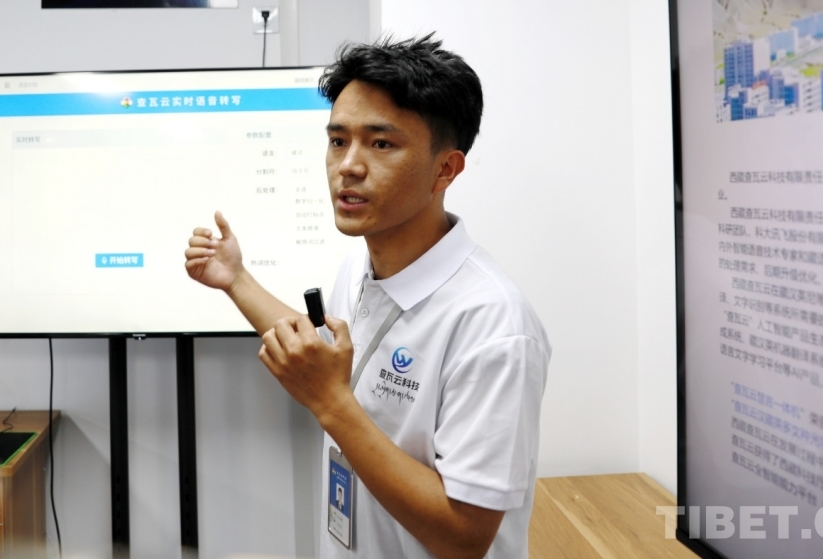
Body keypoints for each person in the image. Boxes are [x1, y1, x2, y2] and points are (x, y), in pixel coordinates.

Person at [184, 34, 551, 559]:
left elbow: (464, 537)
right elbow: (321, 353)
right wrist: (236, 279)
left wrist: (331, 404)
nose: (348, 166)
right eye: (338, 141)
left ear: (445, 169)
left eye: (381, 144)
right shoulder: (360, 264)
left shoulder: (494, 326)